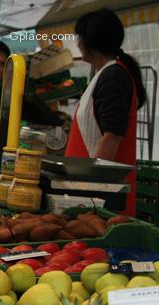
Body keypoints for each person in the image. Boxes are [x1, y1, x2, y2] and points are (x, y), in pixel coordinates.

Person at [66, 9, 147, 216]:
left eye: (79, 37)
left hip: (103, 203)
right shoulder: (105, 74)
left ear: (89, 42)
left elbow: (112, 136)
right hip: (90, 196)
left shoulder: (113, 77)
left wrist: (93, 189)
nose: (77, 43)